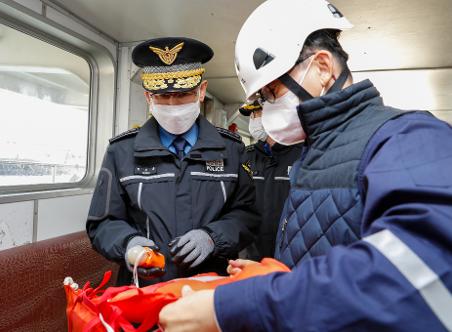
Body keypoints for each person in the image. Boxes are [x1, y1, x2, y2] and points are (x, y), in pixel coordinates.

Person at [158, 0, 452, 331]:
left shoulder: (408, 137)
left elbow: (429, 273)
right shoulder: (315, 153)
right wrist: (279, 277)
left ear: (323, 68)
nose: (267, 109)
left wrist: (242, 305)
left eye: (272, 93)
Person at [86, 37, 260, 286]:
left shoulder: (231, 150)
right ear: (148, 97)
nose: (172, 105)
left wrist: (212, 237)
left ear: (201, 91)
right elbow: (102, 222)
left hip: (209, 287)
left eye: (182, 95)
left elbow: (247, 215)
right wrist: (128, 244)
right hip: (144, 289)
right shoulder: (121, 151)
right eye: (162, 96)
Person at [240, 100, 302, 259]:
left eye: (258, 112)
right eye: (252, 115)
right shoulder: (245, 157)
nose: (254, 119)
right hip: (250, 259)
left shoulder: (302, 157)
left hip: (289, 258)